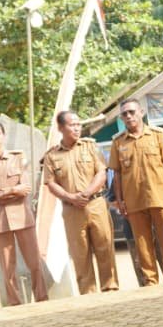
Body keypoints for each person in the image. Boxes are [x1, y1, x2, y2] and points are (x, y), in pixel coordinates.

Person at [41, 110, 118, 294]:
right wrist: (71, 198)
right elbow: (51, 183)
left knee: (105, 247)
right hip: (72, 210)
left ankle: (110, 288)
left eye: (78, 124)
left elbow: (102, 172)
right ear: (61, 128)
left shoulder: (90, 146)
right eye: (72, 125)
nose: (77, 128)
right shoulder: (52, 156)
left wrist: (87, 193)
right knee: (80, 253)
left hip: (96, 204)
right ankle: (88, 293)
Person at [0, 120, 49, 305]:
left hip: (22, 216)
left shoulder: (18, 158)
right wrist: (12, 190)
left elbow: (25, 189)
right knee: (7, 268)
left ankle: (42, 299)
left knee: (34, 262)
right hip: (0, 220)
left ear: (3, 135)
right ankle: (15, 304)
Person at [109, 98, 163, 286]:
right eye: (124, 114)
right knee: (142, 244)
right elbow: (117, 174)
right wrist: (120, 200)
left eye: (132, 112)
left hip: (159, 197)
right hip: (134, 201)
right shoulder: (118, 142)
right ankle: (151, 281)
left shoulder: (157, 135)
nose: (128, 116)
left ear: (141, 112)